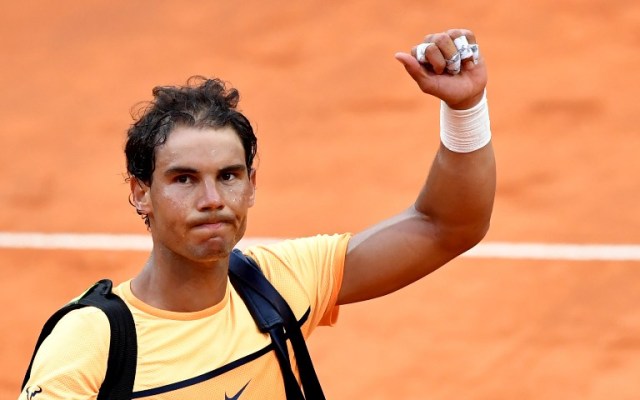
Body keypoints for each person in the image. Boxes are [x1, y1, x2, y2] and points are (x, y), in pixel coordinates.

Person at [20, 28, 496, 399]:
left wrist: (465, 109)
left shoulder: (279, 285)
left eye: (229, 175)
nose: (212, 199)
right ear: (140, 193)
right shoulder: (90, 343)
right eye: (184, 179)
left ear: (252, 186)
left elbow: (446, 226)